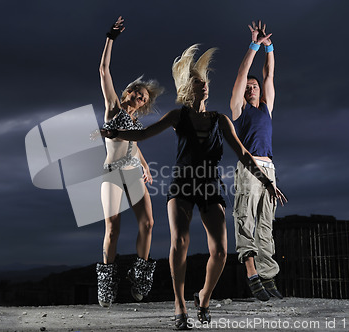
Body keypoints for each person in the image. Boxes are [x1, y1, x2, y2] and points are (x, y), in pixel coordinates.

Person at [101, 44, 286, 329]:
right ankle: (179, 304)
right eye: (200, 83)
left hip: (210, 185)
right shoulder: (178, 117)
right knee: (180, 242)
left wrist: (265, 181)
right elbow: (144, 133)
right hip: (182, 185)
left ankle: (203, 297)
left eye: (207, 83)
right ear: (190, 88)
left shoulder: (220, 120)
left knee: (221, 252)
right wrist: (115, 132)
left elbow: (243, 154)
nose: (206, 87)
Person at [96, 16, 164, 308]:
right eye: (137, 92)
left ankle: (140, 276)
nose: (139, 96)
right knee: (112, 227)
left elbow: (134, 144)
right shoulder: (113, 107)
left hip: (133, 172)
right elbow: (103, 70)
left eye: (143, 97)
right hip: (112, 173)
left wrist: (146, 165)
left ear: (144, 104)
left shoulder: (135, 121)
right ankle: (107, 284)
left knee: (148, 222)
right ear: (127, 93)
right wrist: (110, 38)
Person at [230, 21, 286, 301]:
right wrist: (253, 45)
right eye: (248, 87)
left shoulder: (266, 107)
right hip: (249, 169)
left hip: (270, 169)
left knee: (266, 224)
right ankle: (252, 274)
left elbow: (269, 74)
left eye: (254, 86)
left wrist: (269, 47)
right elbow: (243, 72)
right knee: (245, 219)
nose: (251, 88)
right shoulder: (238, 111)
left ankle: (268, 277)